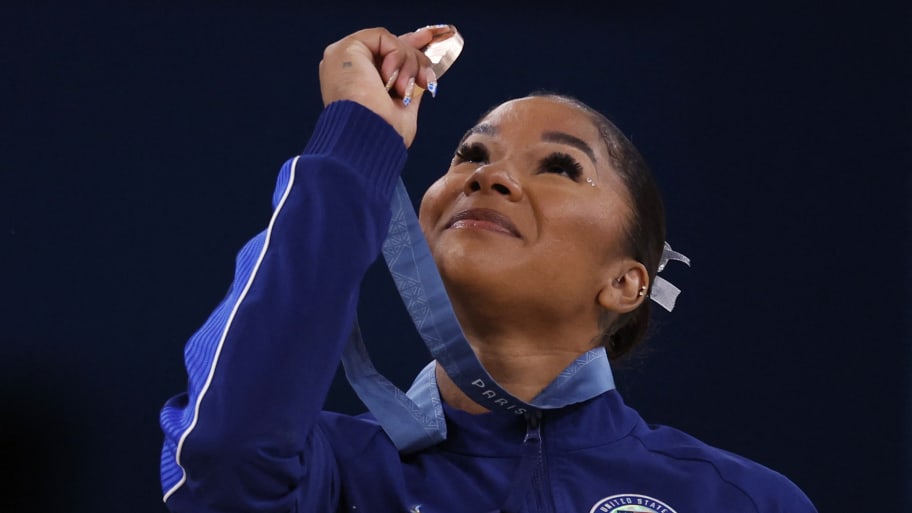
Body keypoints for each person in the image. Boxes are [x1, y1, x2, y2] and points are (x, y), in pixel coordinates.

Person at [159, 25, 818, 513]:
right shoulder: (333, 471)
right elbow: (220, 465)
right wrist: (357, 139)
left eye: (561, 166)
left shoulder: (742, 499)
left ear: (626, 281)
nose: (487, 176)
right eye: (469, 153)